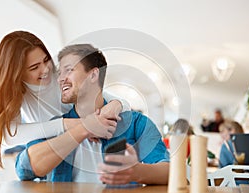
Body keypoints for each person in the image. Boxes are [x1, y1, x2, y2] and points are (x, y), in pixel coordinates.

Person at [15, 44, 170, 185]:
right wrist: (84, 128)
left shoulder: (136, 123)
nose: (60, 79)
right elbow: (24, 169)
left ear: (94, 75)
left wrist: (135, 172)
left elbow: (171, 172)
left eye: (69, 70)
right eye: (60, 73)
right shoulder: (56, 126)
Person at [0, 31, 128, 168]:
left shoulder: (62, 73)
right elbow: (10, 135)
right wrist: (73, 124)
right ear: (16, 72)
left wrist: (115, 105)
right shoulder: (14, 90)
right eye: (34, 67)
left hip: (90, 148)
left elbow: (121, 103)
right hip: (55, 155)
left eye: (46, 60)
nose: (45, 69)